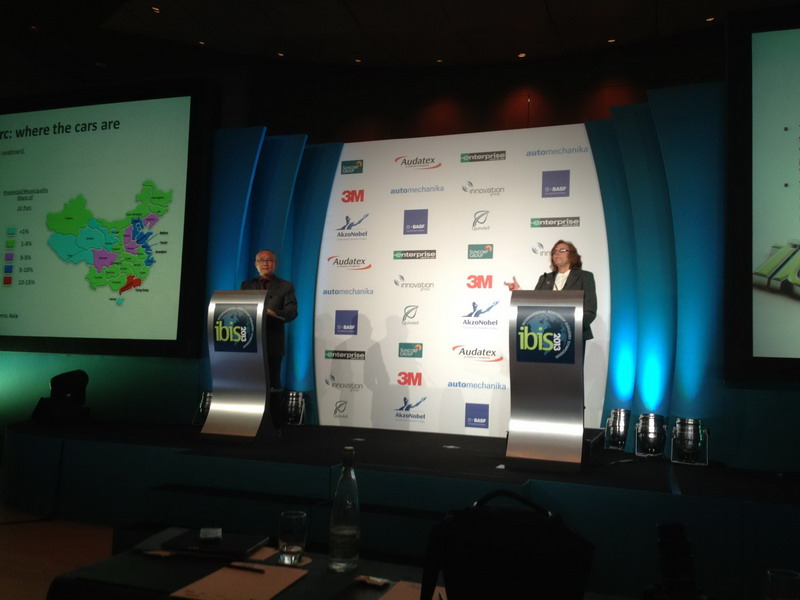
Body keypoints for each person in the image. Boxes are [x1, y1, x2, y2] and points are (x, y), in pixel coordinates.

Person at [504, 240, 597, 345]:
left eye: (562, 250)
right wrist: (518, 291)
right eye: (554, 251)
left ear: (572, 255)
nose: (557, 253)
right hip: (545, 335)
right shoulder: (545, 278)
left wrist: (569, 328)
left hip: (574, 335)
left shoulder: (585, 277)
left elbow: (590, 311)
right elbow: (534, 305)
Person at [241, 249, 298, 389]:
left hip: (273, 343)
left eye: (269, 260)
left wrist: (274, 313)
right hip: (249, 342)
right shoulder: (246, 285)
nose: (265, 263)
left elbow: (292, 312)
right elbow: (240, 310)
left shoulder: (286, 286)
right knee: (250, 384)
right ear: (256, 264)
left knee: (271, 385)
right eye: (262, 260)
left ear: (275, 264)